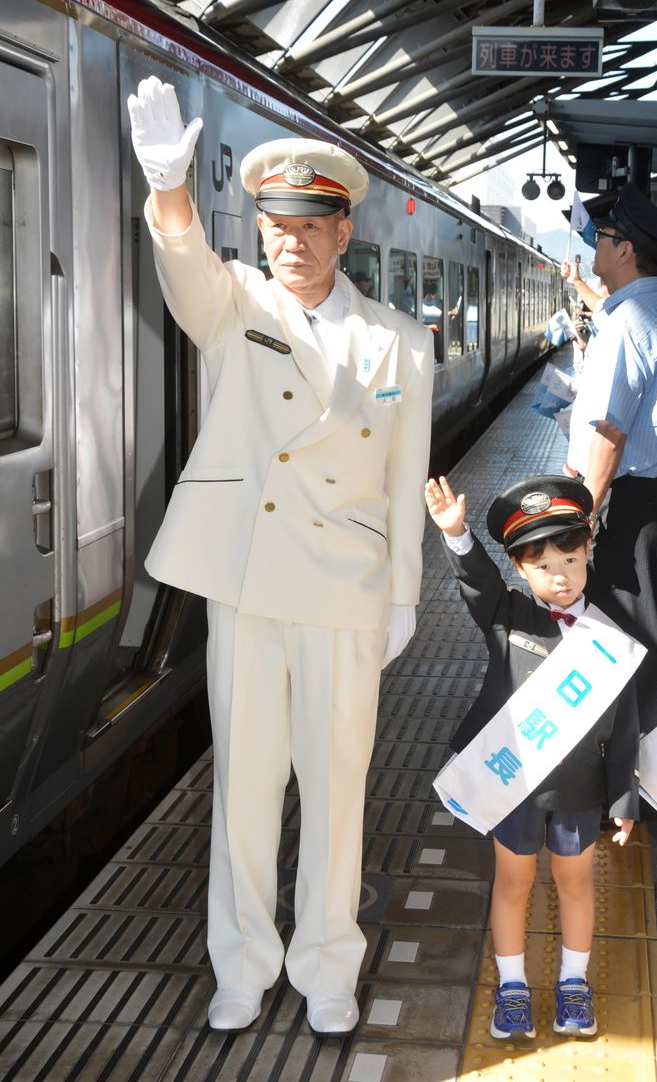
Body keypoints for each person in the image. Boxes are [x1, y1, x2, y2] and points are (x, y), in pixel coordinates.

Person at [127, 76, 435, 1035]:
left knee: (339, 791)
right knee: (245, 787)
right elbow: (185, 271)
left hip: (347, 591)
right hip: (251, 584)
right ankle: (244, 962)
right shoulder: (238, 308)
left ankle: (327, 963)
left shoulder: (403, 343)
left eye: (311, 224)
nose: (290, 241)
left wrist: (403, 600)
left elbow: (402, 479)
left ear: (345, 233)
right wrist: (170, 191)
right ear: (257, 229)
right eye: (275, 223)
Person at [424, 474, 639, 1040]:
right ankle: (513, 987)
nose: (560, 575)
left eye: (570, 558)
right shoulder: (509, 616)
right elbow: (476, 585)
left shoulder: (612, 635)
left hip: (579, 792)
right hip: (513, 787)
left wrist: (623, 798)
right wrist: (456, 534)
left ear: (589, 550)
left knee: (577, 885)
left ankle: (574, 983)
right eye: (542, 566)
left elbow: (626, 728)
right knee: (512, 885)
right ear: (520, 571)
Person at [566, 182, 657, 730]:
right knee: (642, 625)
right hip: (649, 499)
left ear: (626, 251)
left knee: (626, 633)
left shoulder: (630, 320)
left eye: (605, 236)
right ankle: (635, 782)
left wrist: (584, 513)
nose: (596, 243)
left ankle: (632, 788)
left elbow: (610, 431)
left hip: (624, 499)